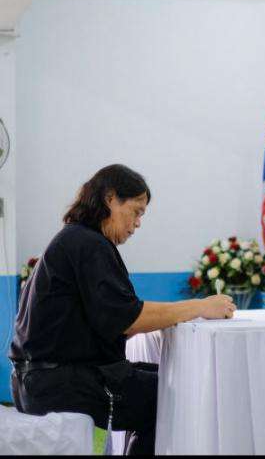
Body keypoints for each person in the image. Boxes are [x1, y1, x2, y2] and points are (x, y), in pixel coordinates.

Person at [9, 164, 236, 455]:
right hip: (59, 383)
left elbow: (109, 321)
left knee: (169, 375)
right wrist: (201, 306)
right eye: (136, 211)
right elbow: (128, 318)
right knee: (171, 394)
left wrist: (157, 316)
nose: (138, 223)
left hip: (38, 380)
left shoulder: (76, 238)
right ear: (111, 199)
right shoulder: (88, 244)